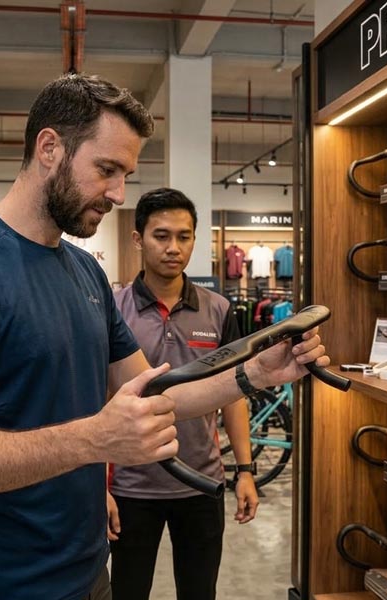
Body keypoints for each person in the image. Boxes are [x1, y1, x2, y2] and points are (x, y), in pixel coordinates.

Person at [0, 73, 329, 600]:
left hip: (86, 571)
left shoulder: (84, 274)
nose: (118, 193)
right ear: (50, 148)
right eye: (106, 170)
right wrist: (93, 439)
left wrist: (257, 372)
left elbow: (157, 392)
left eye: (125, 173)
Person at [108, 188, 258, 600]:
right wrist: (96, 487)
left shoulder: (219, 310)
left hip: (202, 485)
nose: (173, 248)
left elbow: (232, 395)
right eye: (161, 236)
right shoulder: (112, 309)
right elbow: (97, 399)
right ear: (138, 239)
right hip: (130, 487)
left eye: (184, 236)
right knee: (127, 591)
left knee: (199, 592)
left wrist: (244, 471)